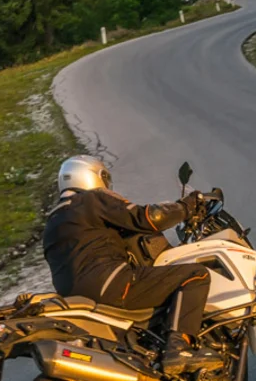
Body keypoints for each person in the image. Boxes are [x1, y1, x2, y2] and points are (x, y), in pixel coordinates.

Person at [43, 155, 223, 375]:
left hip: (78, 300)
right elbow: (150, 217)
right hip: (112, 285)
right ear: (91, 176)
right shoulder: (92, 199)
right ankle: (179, 348)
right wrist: (187, 206)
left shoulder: (53, 222)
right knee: (195, 275)